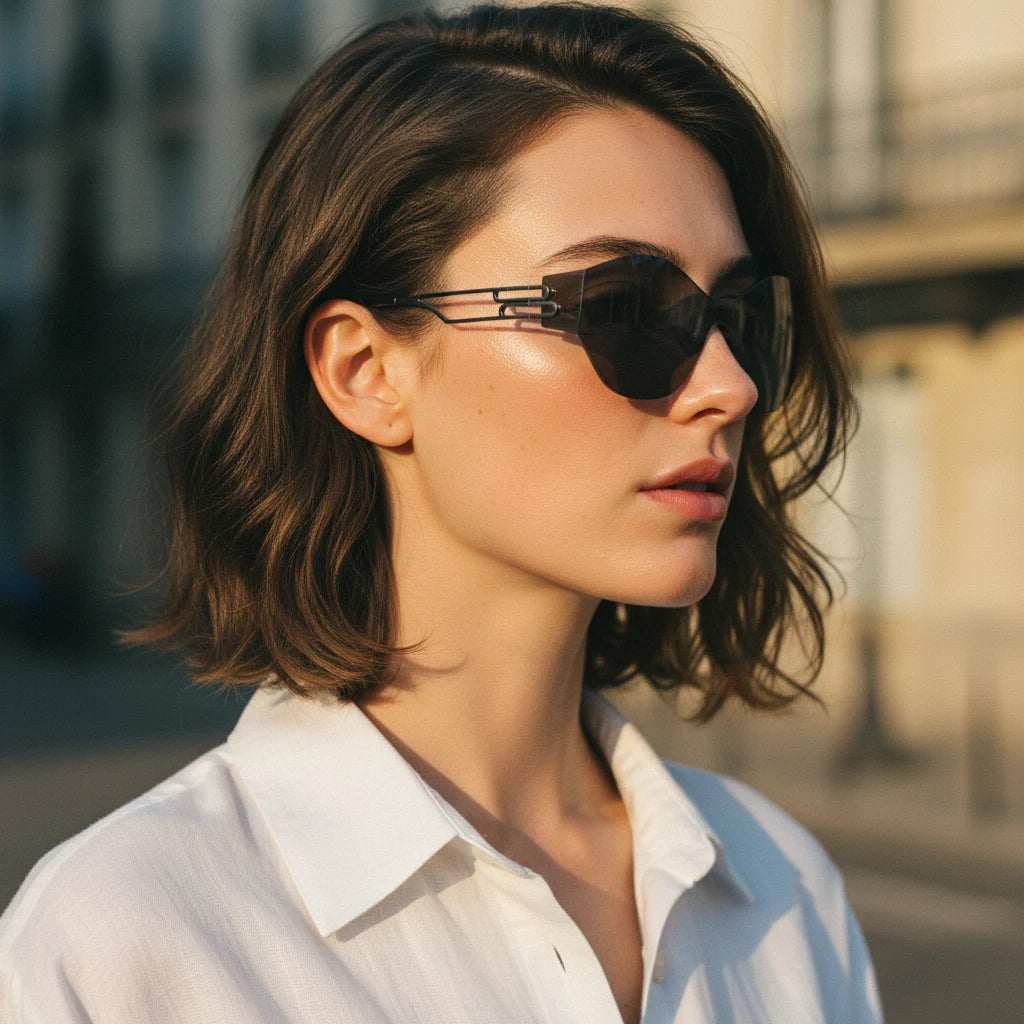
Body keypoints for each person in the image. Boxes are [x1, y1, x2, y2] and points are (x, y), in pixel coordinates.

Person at [0, 4, 883, 1022]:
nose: (727, 385)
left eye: (737, 318)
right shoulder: (126, 946)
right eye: (626, 310)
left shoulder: (783, 891)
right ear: (366, 370)